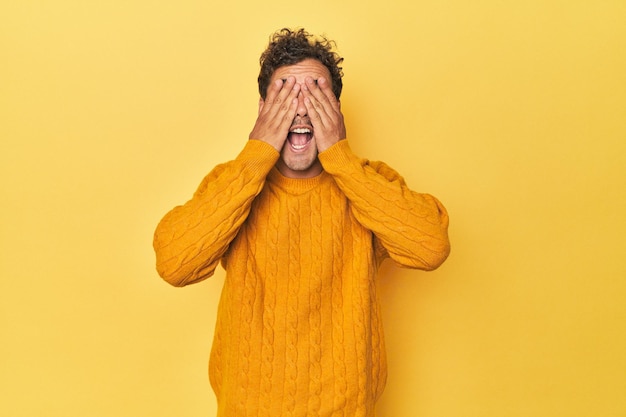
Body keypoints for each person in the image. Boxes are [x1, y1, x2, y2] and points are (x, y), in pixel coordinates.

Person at [153, 28, 450, 417]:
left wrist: (341, 159)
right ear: (262, 108)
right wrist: (255, 156)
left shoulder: (369, 182)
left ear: (336, 109)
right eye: (284, 94)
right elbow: (175, 264)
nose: (300, 107)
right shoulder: (235, 182)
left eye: (315, 93)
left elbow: (430, 248)